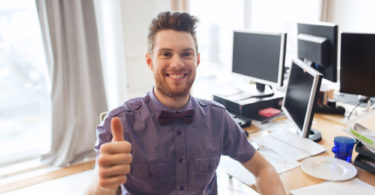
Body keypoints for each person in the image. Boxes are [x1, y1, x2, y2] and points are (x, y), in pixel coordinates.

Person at [85, 11, 286, 195]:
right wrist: (103, 184)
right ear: (150, 61)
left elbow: (263, 169)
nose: (177, 63)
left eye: (186, 54)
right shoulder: (121, 124)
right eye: (166, 54)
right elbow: (97, 186)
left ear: (197, 61)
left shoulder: (218, 118)